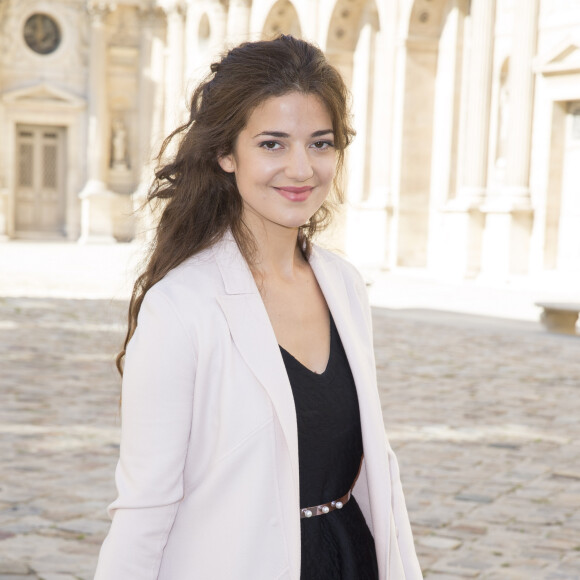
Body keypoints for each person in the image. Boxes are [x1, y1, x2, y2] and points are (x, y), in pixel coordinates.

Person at [95, 35, 422, 580]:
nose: (301, 169)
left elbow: (376, 469)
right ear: (227, 153)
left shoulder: (343, 285)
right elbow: (144, 509)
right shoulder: (180, 307)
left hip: (351, 559)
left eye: (321, 143)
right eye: (273, 144)